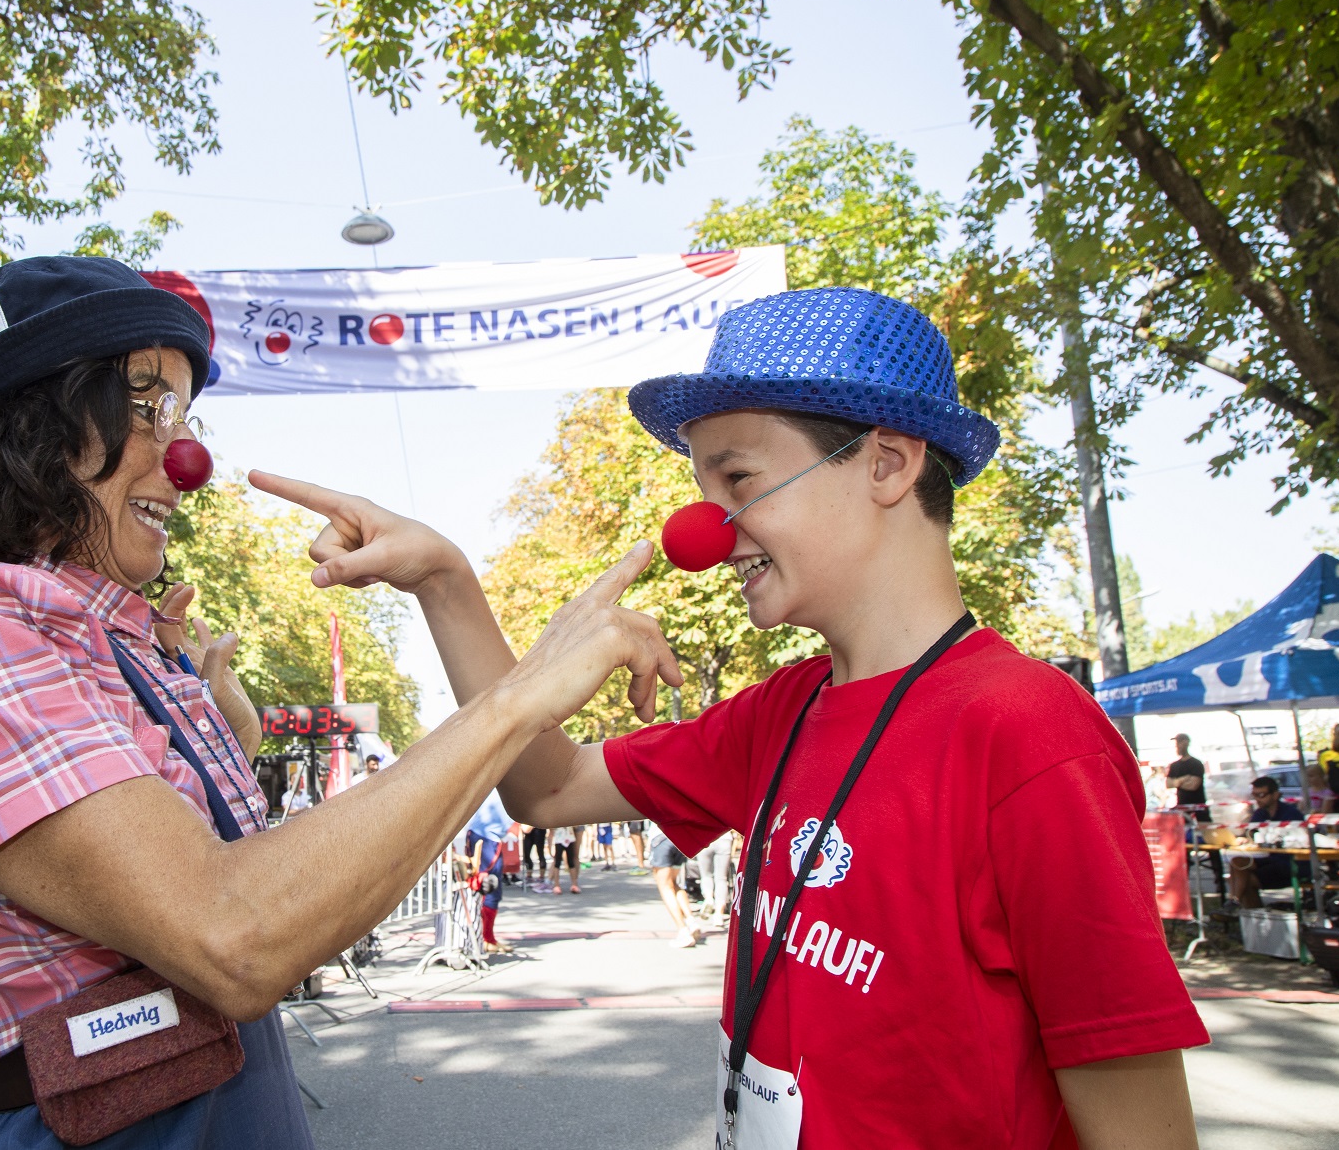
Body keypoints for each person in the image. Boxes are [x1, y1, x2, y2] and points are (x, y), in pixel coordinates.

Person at [273, 287, 1206, 1147]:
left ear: (886, 462)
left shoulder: (1030, 734)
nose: (703, 532)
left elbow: (1137, 1119)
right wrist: (446, 582)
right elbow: (545, 787)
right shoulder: (782, 713)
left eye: (739, 480)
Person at [0, 255, 677, 1150]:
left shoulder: (120, 636)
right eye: (148, 406)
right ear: (34, 424)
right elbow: (231, 933)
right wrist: (515, 696)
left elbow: (257, 882)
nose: (188, 457)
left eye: (185, 415)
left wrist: (228, 736)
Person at [1228, 776, 1309, 908]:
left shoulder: (1291, 814)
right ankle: (1235, 903)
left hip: (1290, 862)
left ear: (1276, 795)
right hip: (1269, 859)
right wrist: (1245, 839)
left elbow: (1299, 841)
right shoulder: (1260, 813)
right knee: (1237, 862)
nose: (1257, 799)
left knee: (1246, 880)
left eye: (1261, 795)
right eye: (1254, 795)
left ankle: (1238, 906)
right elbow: (1252, 834)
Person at [467, 789, 514, 953]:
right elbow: (528, 827)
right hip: (487, 839)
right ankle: (485, 939)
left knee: (488, 889)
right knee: (489, 890)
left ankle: (486, 938)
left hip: (484, 836)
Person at [648, 823, 700, 948]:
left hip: (661, 838)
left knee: (665, 887)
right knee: (674, 883)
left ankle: (683, 930)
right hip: (679, 837)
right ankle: (690, 920)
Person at [1166, 733, 1209, 819]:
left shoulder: (1196, 763)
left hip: (1199, 809)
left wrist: (1176, 782)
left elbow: (1193, 785)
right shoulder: (1174, 765)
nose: (1177, 746)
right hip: (1182, 808)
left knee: (1204, 829)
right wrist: (1183, 779)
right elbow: (1168, 784)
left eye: (1179, 743)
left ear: (1186, 743)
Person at [698, 829, 735, 926]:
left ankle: (709, 898)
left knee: (706, 875)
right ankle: (719, 914)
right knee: (721, 879)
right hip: (725, 838)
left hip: (704, 836)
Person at [1317, 723, 1339, 810]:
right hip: (1334, 796)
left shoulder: (1325, 755)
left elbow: (1323, 775)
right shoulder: (1326, 755)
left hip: (1334, 794)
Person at [549, 822, 580, 894]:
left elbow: (576, 826)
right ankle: (556, 885)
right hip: (559, 838)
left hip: (570, 837)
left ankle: (574, 884)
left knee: (571, 862)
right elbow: (551, 828)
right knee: (557, 862)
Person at [521, 822, 549, 891]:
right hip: (529, 830)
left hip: (539, 829)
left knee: (540, 853)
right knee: (526, 853)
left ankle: (541, 877)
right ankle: (529, 875)